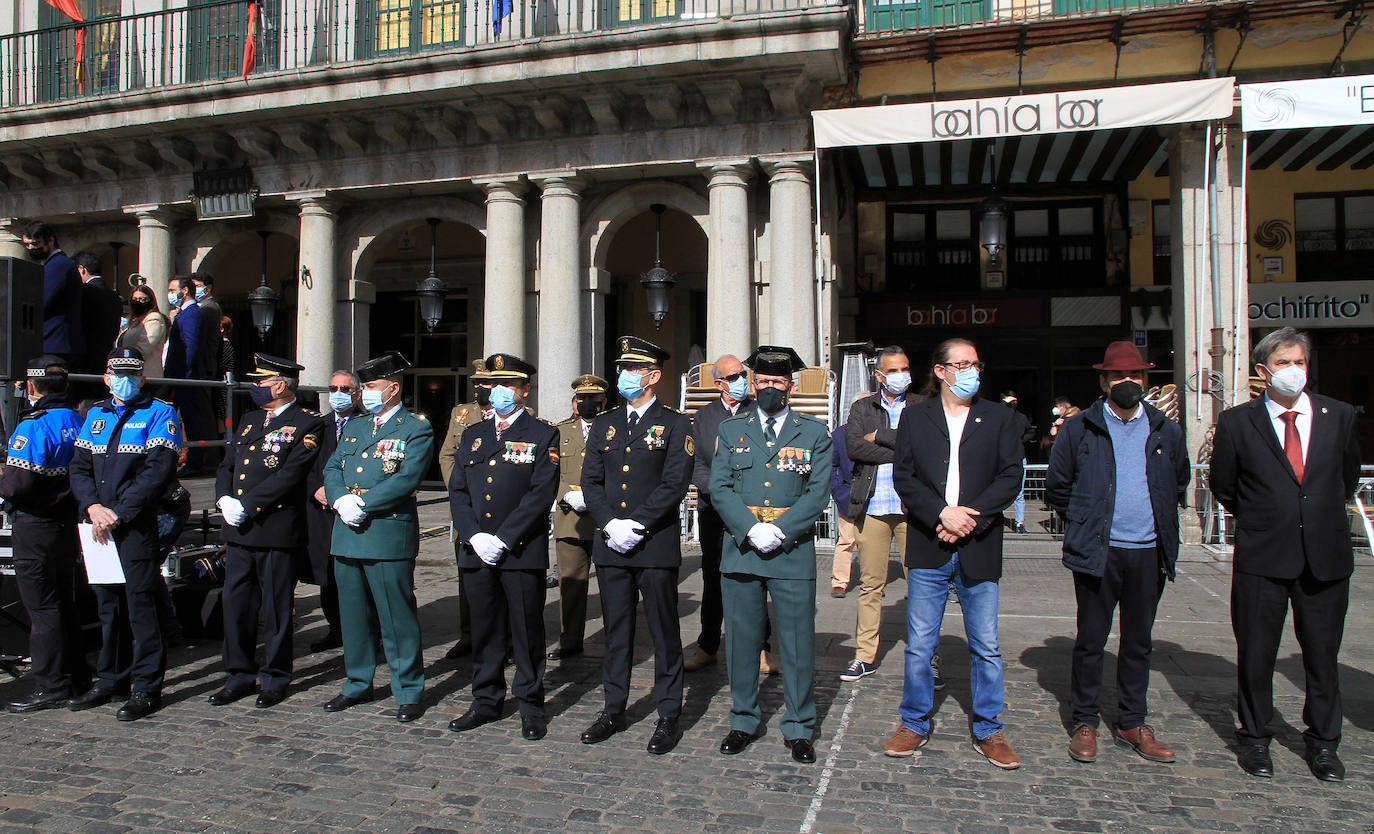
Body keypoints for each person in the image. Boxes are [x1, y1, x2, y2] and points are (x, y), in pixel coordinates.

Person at [1209, 327, 1362, 783]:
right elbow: (1225, 485)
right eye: (1282, 363)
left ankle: (1323, 743)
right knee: (1256, 654)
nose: (1293, 371)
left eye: (1299, 362)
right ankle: (1255, 737)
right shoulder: (1239, 421)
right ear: (1262, 371)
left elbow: (1346, 477)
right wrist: (1267, 517)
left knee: (1322, 657)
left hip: (1325, 557)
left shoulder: (1339, 415)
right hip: (1263, 556)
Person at [1045, 342, 1190, 765]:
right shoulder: (1079, 429)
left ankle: (1132, 721)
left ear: (1146, 381)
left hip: (1148, 552)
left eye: (1138, 377)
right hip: (1098, 553)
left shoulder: (1166, 428)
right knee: (1091, 640)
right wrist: (1088, 521)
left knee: (1138, 642)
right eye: (1120, 377)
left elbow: (1177, 480)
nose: (1130, 383)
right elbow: (1057, 487)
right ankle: (1085, 720)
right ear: (1104, 382)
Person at [884, 338, 1024, 768]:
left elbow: (1010, 477)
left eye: (975, 364)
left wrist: (970, 519)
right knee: (921, 643)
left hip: (979, 544)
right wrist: (942, 514)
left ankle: (989, 729)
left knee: (986, 644)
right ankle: (914, 722)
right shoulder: (915, 416)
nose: (970, 371)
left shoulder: (1000, 417)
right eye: (961, 364)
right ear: (941, 371)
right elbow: (905, 477)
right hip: (930, 542)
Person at [710, 345, 833, 765]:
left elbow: (818, 493)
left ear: (791, 387)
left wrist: (779, 530)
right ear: (751, 384)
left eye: (777, 382)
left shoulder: (814, 433)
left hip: (791, 550)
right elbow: (719, 486)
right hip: (742, 549)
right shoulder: (731, 430)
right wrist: (750, 529)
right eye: (761, 382)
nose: (768, 388)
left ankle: (800, 726)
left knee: (797, 643)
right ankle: (742, 720)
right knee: (742, 642)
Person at [579, 336, 693, 755]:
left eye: (632, 370)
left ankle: (668, 713)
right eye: (622, 369)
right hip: (611, 544)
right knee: (616, 631)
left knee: (665, 631)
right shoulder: (605, 424)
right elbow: (591, 480)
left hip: (654, 543)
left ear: (654, 376)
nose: (624, 376)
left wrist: (637, 524)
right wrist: (611, 523)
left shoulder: (678, 424)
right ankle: (614, 707)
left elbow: (674, 483)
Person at [447, 354, 560, 740]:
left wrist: (504, 538)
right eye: (493, 385)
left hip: (519, 549)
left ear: (524, 390)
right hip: (476, 548)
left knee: (526, 630)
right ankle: (486, 699)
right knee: (485, 629)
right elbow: (458, 490)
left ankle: (530, 703)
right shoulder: (473, 434)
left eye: (508, 385)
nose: (498, 392)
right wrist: (473, 534)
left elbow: (540, 493)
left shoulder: (543, 434)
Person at [68, 348, 182, 721]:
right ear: (105, 378)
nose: (125, 380)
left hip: (135, 523)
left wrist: (119, 512)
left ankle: (147, 686)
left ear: (143, 378)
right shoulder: (95, 414)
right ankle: (110, 678)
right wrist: (92, 507)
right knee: (108, 605)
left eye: (133, 374)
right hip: (99, 524)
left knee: (141, 604)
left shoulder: (160, 412)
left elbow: (157, 472)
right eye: (118, 374)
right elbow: (79, 466)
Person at [321, 350, 434, 723]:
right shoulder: (354, 426)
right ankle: (357, 682)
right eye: (363, 386)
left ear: (392, 388)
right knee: (352, 616)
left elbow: (406, 478)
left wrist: (362, 504)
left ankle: (408, 689)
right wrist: (340, 500)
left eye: (369, 386)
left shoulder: (415, 427)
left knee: (395, 616)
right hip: (347, 532)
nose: (363, 393)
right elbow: (333, 466)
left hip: (385, 533)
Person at [207, 354, 324, 709]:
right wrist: (224, 498)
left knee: (275, 608)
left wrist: (249, 504)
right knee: (236, 605)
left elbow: (291, 474)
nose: (254, 388)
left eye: (260, 382)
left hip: (274, 528)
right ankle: (238, 673)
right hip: (239, 531)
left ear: (278, 385)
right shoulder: (250, 419)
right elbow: (228, 464)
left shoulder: (307, 423)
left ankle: (275, 675)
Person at [0, 356, 90, 712]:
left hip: (35, 525)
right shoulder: (78, 421)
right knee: (66, 603)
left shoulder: (32, 426)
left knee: (42, 608)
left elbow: (18, 485)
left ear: (32, 388)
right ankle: (77, 675)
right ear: (66, 386)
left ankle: (50, 683)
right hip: (66, 523)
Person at [841, 345, 914, 682]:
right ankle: (864, 654)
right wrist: (901, 449)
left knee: (923, 584)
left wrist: (881, 438)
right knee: (871, 585)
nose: (902, 375)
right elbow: (854, 447)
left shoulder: (921, 407)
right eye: (895, 370)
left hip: (913, 508)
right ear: (880, 375)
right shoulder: (861, 408)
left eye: (905, 368)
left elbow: (925, 447)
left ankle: (930, 655)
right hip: (872, 505)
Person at [684, 354, 758, 672]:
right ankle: (708, 645)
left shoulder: (758, 411)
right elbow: (696, 463)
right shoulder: (703, 417)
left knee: (755, 578)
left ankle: (762, 646)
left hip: (751, 510)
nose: (741, 380)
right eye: (733, 376)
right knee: (712, 577)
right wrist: (714, 489)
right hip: (713, 508)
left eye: (743, 374)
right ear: (718, 384)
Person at [436, 358, 496, 660]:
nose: (479, 388)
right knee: (467, 572)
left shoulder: (515, 413)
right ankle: (468, 635)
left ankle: (503, 637)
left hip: (497, 507)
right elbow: (447, 453)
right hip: (466, 506)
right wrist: (457, 490)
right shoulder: (461, 414)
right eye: (476, 383)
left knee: (501, 575)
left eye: (485, 383)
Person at [548, 374, 609, 661]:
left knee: (612, 585)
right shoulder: (560, 432)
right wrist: (566, 494)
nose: (586, 404)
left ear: (603, 401)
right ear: (574, 402)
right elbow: (549, 472)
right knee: (571, 583)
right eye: (581, 399)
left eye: (593, 399)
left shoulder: (614, 429)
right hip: (570, 517)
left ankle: (617, 639)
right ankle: (569, 640)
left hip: (606, 519)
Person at [305, 370, 363, 652]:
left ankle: (366, 632)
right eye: (333, 388)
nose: (338, 394)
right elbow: (304, 464)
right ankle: (336, 628)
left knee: (357, 576)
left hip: (354, 510)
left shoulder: (367, 423)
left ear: (357, 393)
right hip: (322, 511)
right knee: (327, 576)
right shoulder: (318, 425)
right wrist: (316, 488)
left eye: (345, 389)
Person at [163, 275, 214, 475]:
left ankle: (194, 462)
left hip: (186, 376)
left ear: (184, 291)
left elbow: (190, 346)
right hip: (181, 375)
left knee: (192, 419)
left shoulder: (191, 313)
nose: (170, 294)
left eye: (172, 290)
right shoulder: (184, 313)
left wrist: (183, 374)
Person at [22, 220, 85, 363]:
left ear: (50, 240)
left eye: (36, 243)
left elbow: (40, 301)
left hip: (55, 346)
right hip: (51, 345)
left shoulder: (59, 265)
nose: (31, 248)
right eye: (27, 244)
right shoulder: (50, 265)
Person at [74, 250, 123, 376]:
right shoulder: (114, 296)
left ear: (81, 269)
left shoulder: (83, 292)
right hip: (106, 356)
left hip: (84, 357)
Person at [829, 405, 858, 598]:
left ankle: (872, 582)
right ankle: (839, 582)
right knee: (846, 540)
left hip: (874, 498)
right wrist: (839, 490)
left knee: (871, 544)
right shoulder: (839, 435)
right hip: (848, 495)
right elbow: (833, 464)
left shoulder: (880, 433)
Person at [115, 284, 169, 381]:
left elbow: (144, 348)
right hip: (130, 375)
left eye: (143, 299)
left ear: (151, 300)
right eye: (135, 299)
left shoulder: (153, 319)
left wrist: (125, 361)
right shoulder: (135, 321)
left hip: (146, 376)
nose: (138, 302)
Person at [1000, 390, 1034, 534]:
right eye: (1010, 400)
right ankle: (997, 518)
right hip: (1001, 457)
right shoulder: (998, 415)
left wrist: (1020, 441)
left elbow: (1031, 431)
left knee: (1019, 493)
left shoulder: (1021, 417)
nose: (1014, 403)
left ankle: (1019, 522)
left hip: (1019, 456)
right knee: (1000, 489)